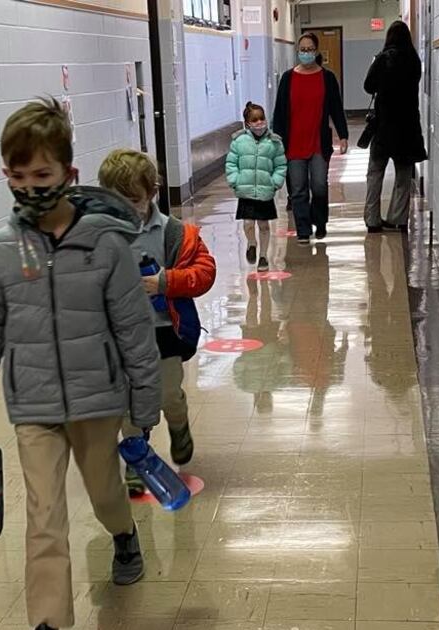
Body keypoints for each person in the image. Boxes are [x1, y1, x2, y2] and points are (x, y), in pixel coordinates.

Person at [0, 99, 161, 630]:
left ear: (69, 174)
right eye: (17, 178)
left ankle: (123, 536)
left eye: (40, 176)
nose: (28, 188)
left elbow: (134, 331)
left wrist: (143, 410)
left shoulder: (106, 246)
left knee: (103, 495)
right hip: (35, 406)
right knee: (44, 515)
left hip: (98, 400)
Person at [98, 149, 217, 495]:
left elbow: (204, 272)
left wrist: (165, 282)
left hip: (165, 330)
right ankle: (138, 460)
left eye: (132, 200)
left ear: (152, 193)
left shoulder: (174, 233)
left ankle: (178, 425)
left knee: (167, 394)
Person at [272, 32, 349, 245]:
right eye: (302, 49)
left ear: (316, 51)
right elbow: (279, 112)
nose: (305, 53)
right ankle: (303, 230)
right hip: (293, 143)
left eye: (309, 49)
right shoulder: (288, 78)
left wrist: (343, 135)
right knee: (297, 189)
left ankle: (320, 222)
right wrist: (276, 140)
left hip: (317, 143)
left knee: (319, 186)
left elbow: (336, 108)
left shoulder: (327, 77)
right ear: (297, 51)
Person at [362, 20, 428, 233]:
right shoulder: (414, 60)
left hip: (383, 127)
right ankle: (398, 219)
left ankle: (372, 220)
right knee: (403, 177)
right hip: (407, 127)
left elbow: (367, 86)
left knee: (375, 174)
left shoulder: (382, 59)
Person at [226, 102, 287, 271]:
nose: (259, 123)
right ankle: (251, 243)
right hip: (245, 190)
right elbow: (231, 163)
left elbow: (280, 165)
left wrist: (275, 182)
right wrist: (235, 180)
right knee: (248, 224)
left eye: (262, 118)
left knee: (264, 225)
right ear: (247, 123)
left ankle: (263, 256)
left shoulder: (274, 142)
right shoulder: (239, 141)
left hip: (265, 191)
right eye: (255, 120)